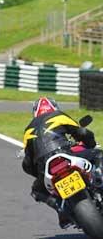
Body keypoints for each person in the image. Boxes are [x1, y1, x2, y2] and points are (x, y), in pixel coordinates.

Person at [22, 97, 99, 227]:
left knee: (36, 190)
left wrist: (39, 173)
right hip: (65, 154)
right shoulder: (58, 116)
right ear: (54, 107)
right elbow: (82, 132)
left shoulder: (28, 131)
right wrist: (90, 144)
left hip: (45, 166)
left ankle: (61, 209)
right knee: (99, 154)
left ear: (35, 112)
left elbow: (28, 164)